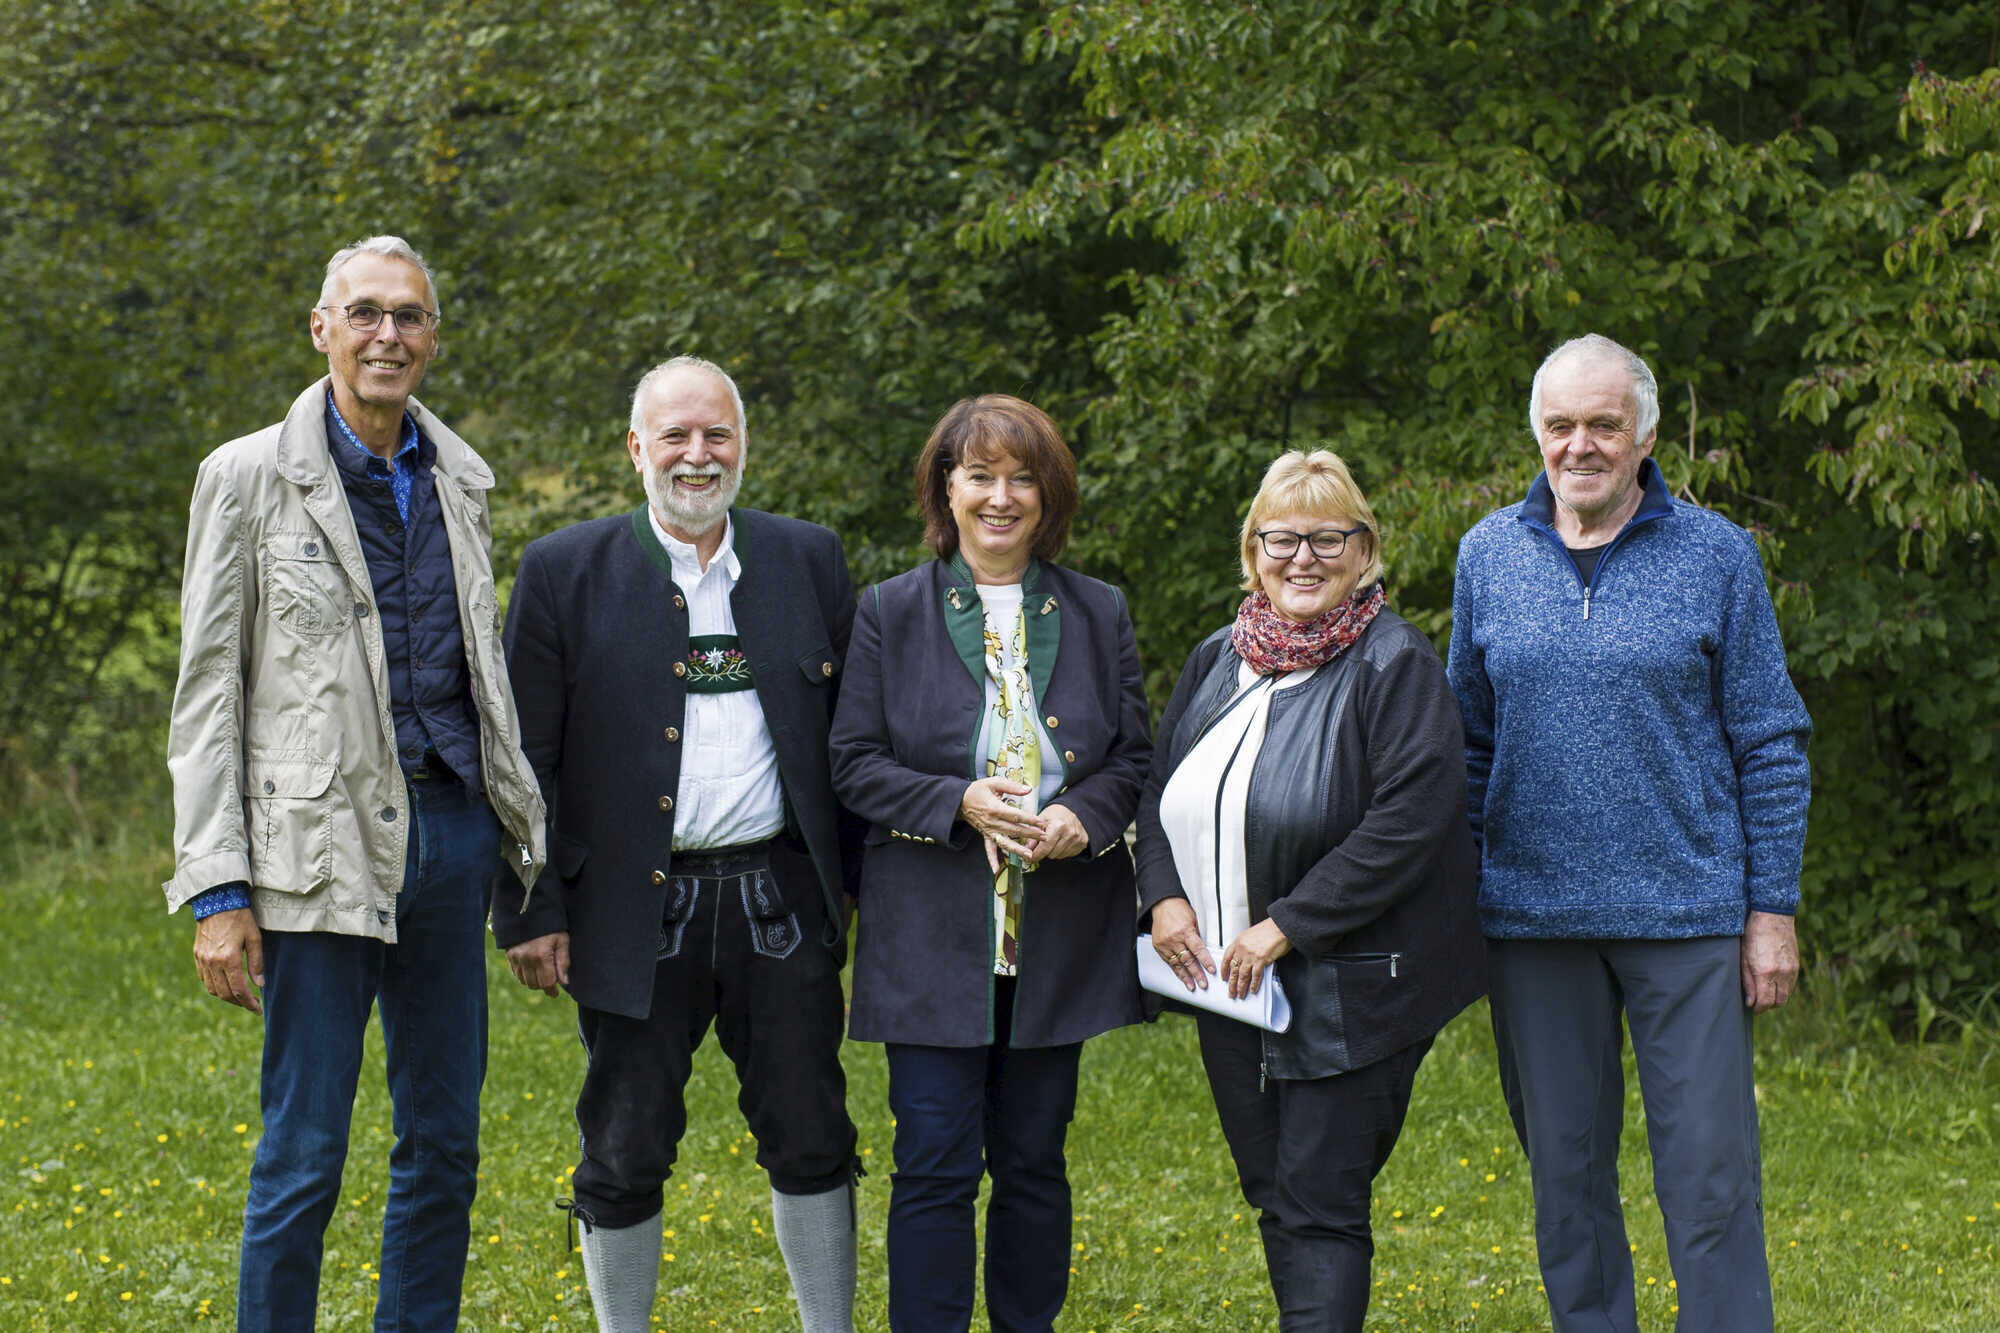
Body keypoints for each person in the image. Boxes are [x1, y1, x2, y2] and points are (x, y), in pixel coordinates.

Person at [162, 235, 547, 1331]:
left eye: (410, 316)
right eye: (366, 312)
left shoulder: (460, 477)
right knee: (304, 1151)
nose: (390, 334)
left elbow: (482, 676)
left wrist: (520, 851)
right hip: (314, 851)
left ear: (432, 336)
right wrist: (219, 888)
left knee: (444, 1141)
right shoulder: (245, 477)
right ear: (321, 327)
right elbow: (206, 698)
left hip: (454, 837)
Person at [1446, 333, 1812, 1332]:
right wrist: (1459, 900)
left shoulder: (1715, 555)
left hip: (1685, 916)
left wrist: (1768, 909)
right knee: (1564, 1184)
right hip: (1529, 920)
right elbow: (1465, 746)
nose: (1579, 446)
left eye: (1602, 424)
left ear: (1642, 433)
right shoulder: (1485, 554)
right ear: (1535, 431)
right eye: (1558, 425)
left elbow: (1769, 741)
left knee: (1708, 1182)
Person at [492, 356, 861, 1333]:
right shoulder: (562, 571)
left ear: (742, 444)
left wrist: (861, 898)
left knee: (812, 1131)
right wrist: (530, 908)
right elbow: (520, 753)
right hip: (626, 909)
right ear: (635, 449)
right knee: (622, 1144)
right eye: (675, 436)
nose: (697, 456)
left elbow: (855, 743)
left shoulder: (807, 559)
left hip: (778, 900)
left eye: (717, 435)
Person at [1132, 449, 1485, 1330]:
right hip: (1228, 986)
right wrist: (1162, 896)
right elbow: (1155, 784)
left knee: (1321, 1203)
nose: (1304, 558)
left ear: (1364, 552)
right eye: (1282, 538)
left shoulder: (1393, 662)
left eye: (1328, 538)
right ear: (1252, 552)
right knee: (1276, 1193)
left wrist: (1284, 924)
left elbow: (1412, 818)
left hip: (1350, 989)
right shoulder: (1221, 655)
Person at [828, 395, 1151, 1332]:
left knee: (1035, 1159)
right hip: (929, 930)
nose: (1000, 497)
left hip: (1058, 931)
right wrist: (956, 803)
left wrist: (1081, 820)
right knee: (931, 1158)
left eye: (1022, 478)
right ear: (947, 488)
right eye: (980, 476)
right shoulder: (889, 609)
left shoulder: (1098, 610)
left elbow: (1131, 756)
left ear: (1048, 496)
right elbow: (852, 761)